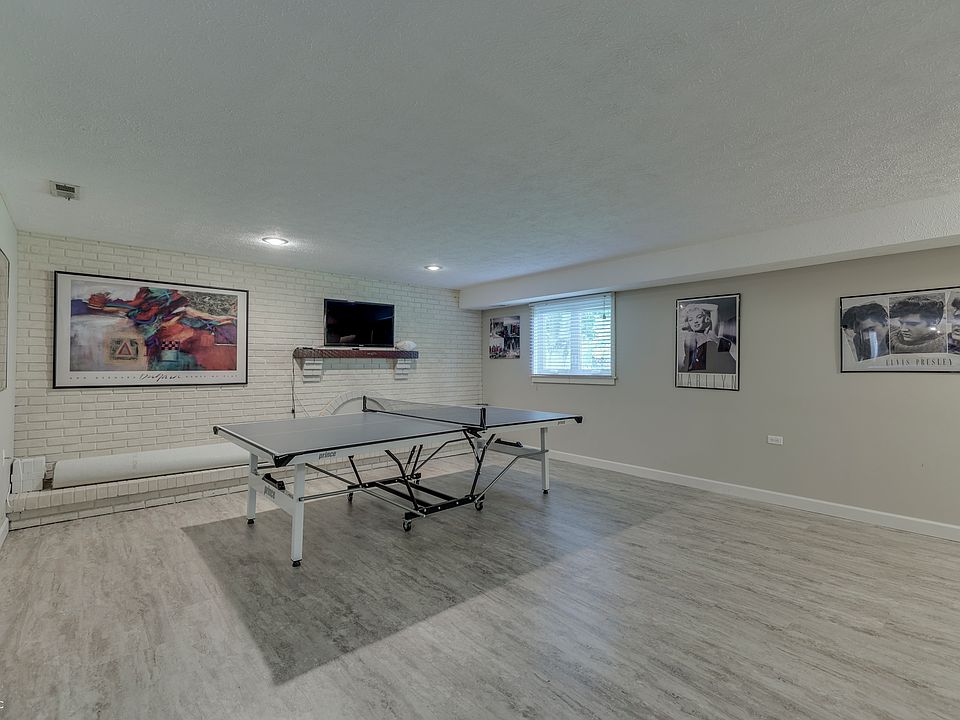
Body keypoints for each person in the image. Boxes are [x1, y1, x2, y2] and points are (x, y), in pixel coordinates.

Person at [678, 303, 737, 373]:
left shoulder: (711, 334)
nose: (695, 321)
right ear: (689, 324)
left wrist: (695, 305)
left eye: (699, 317)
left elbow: (714, 308)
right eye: (691, 320)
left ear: (705, 319)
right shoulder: (690, 336)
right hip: (705, 373)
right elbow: (691, 363)